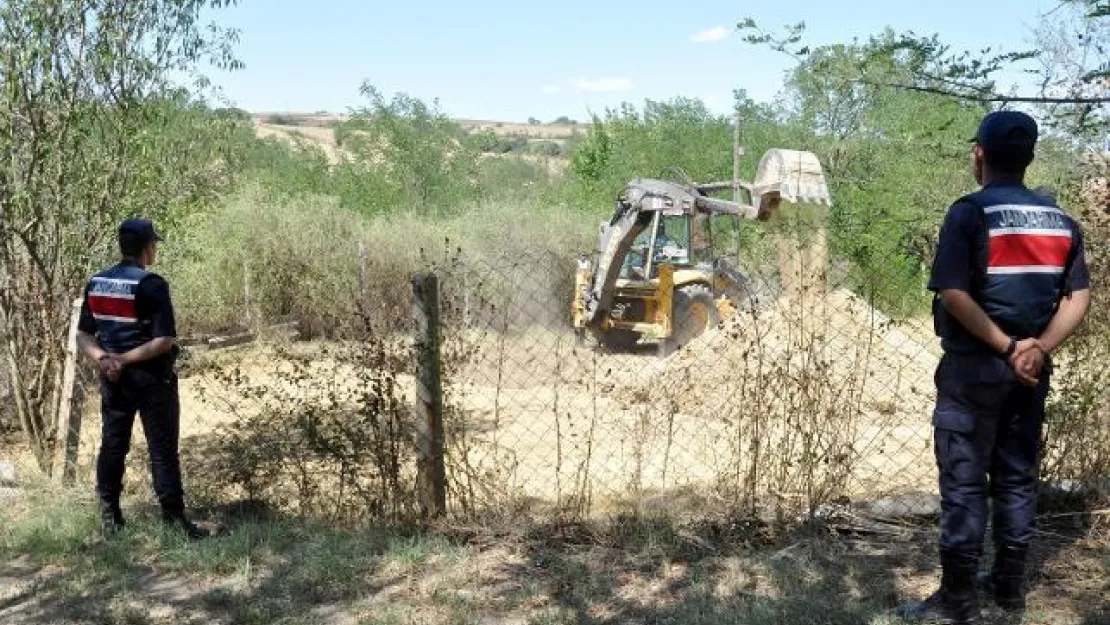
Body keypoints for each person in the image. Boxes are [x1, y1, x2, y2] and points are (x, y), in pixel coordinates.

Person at [897, 111, 1091, 624]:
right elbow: (1079, 297)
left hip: (975, 370)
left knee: (964, 482)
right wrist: (1038, 349)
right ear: (1028, 158)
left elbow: (954, 292)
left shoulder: (969, 213)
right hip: (1031, 373)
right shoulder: (1060, 221)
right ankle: (1009, 591)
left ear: (979, 155)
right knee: (1016, 479)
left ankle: (958, 599)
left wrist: (1008, 348)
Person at [76, 219, 207, 541]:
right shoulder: (152, 284)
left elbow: (82, 335)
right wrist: (121, 359)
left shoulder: (97, 281)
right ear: (148, 248)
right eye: (154, 244)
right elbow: (163, 341)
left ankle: (110, 521)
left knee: (113, 447)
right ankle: (175, 523)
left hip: (113, 380)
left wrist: (104, 359)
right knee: (162, 450)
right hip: (151, 380)